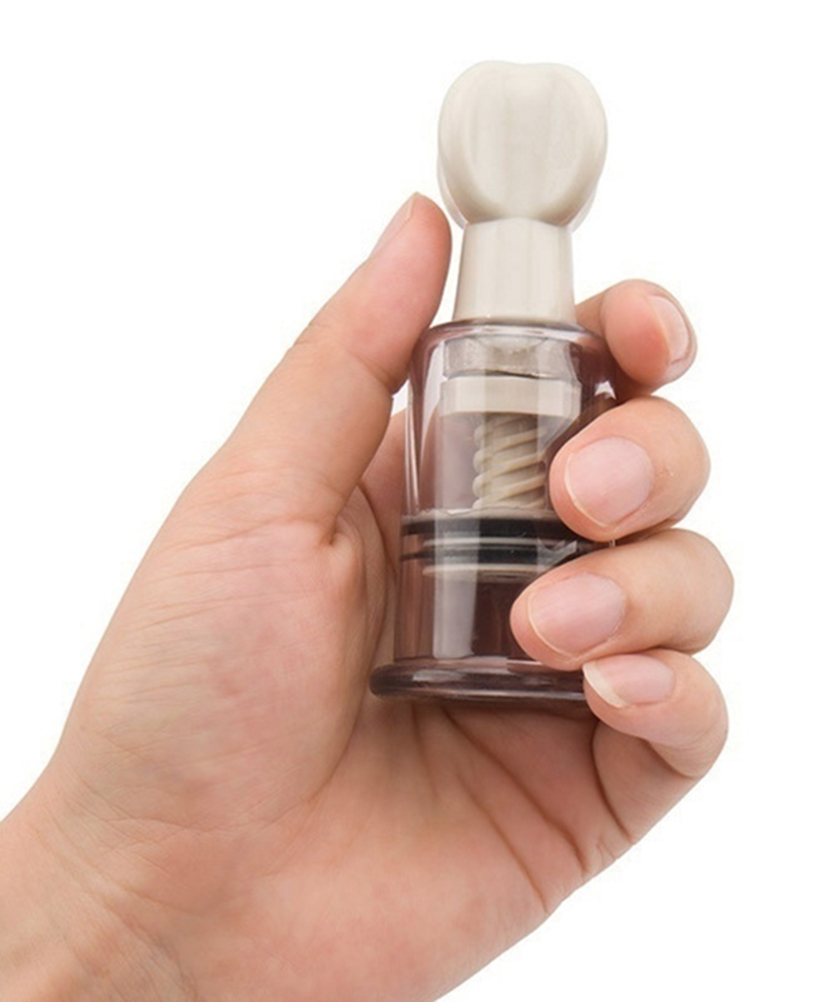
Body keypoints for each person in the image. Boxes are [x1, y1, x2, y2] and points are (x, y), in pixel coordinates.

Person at [0, 195, 732, 1000]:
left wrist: (111, 929)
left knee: (613, 490)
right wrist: (114, 906)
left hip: (462, 750)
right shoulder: (470, 358)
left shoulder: (516, 358)